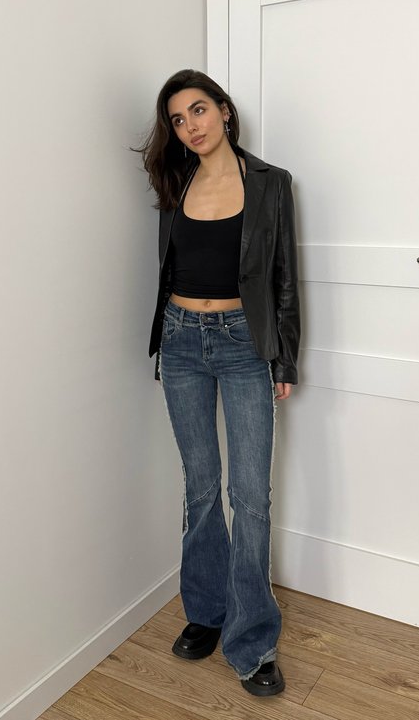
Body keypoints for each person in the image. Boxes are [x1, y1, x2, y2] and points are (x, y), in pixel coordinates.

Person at [138, 68, 300, 697]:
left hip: (242, 346)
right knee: (201, 488)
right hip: (181, 342)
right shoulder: (175, 181)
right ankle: (205, 613)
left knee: (250, 495)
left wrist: (282, 359)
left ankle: (253, 640)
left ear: (226, 112)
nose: (191, 126)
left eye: (199, 110)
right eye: (178, 120)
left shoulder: (271, 184)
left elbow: (284, 275)